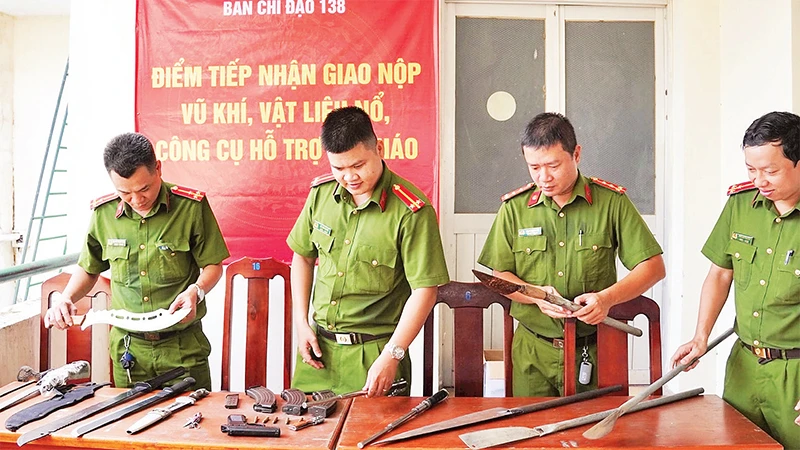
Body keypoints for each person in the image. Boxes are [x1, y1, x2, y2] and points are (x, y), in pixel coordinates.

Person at [477, 112, 665, 397]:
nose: (544, 177)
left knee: (594, 435)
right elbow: (499, 275)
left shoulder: (610, 203)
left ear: (576, 154)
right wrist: (534, 296)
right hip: (532, 350)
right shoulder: (515, 208)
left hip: (593, 346)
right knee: (530, 434)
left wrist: (607, 299)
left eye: (553, 165)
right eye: (534, 167)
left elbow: (653, 267)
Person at [43, 132, 229, 390]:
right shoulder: (104, 214)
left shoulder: (190, 207)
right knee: (128, 426)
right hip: (128, 350)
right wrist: (66, 298)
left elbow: (213, 264)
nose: (137, 200)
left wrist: (195, 291)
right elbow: (89, 268)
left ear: (158, 170)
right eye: (125, 193)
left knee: (191, 424)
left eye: (145, 189)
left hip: (182, 346)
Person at [288, 106, 449, 396]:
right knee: (305, 437)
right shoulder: (321, 195)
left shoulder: (412, 211)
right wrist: (301, 323)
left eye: (358, 165)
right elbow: (302, 256)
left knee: (371, 441)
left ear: (380, 149)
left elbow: (425, 290)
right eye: (338, 168)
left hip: (376, 354)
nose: (349, 177)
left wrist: (393, 354)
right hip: (318, 352)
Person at [671, 111, 800, 449]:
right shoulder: (740, 205)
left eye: (771, 171)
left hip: (795, 375)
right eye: (751, 169)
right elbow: (720, 273)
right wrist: (701, 337)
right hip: (744, 366)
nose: (760, 180)